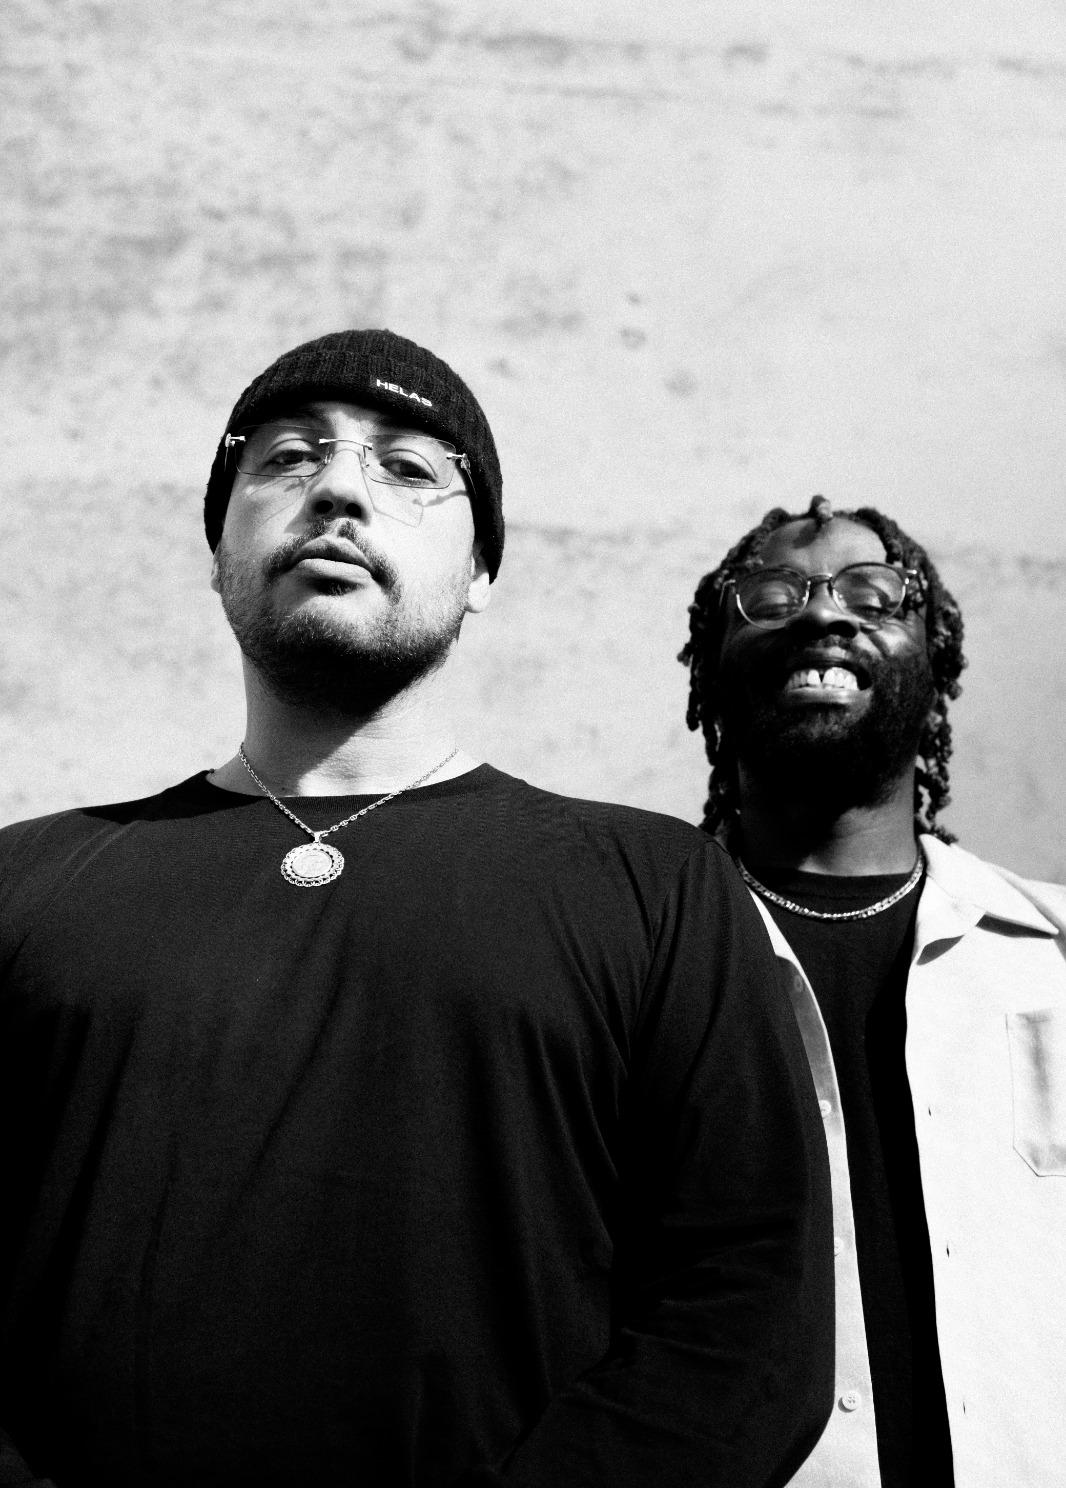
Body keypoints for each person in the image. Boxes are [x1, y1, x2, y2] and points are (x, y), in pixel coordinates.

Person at [0, 331, 834, 1488]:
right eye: (287, 458)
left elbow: (744, 1316)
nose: (339, 488)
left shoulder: (654, 885)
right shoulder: (29, 885)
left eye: (406, 468)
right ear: (219, 549)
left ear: (481, 570)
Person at [679, 493, 1066, 1488]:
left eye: (873, 595)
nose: (822, 613)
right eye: (772, 596)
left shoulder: (1053, 955)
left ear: (934, 662)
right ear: (709, 672)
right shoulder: (638, 954)